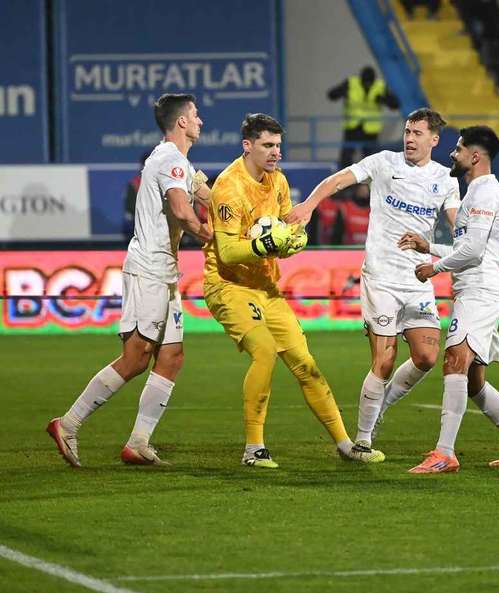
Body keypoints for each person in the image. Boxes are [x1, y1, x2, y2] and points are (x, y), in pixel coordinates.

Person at [204, 113, 384, 468]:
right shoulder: (228, 187)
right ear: (248, 145)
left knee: (305, 363)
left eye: (278, 146)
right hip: (228, 285)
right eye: (268, 146)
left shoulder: (278, 182)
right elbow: (226, 252)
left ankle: (345, 444)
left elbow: (287, 229)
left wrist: (293, 240)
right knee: (264, 352)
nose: (276, 153)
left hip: (265, 286)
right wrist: (266, 245)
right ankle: (253, 449)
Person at [47, 94, 212, 467]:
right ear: (182, 122)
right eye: (196, 116)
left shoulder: (176, 161)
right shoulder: (169, 160)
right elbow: (184, 211)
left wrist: (235, 208)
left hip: (165, 272)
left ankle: (138, 443)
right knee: (136, 358)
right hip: (149, 271)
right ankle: (68, 424)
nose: (201, 121)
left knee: (171, 357)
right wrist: (210, 234)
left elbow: (207, 192)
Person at [286, 108, 460, 453]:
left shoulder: (446, 179)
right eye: (407, 132)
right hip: (381, 276)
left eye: (418, 134)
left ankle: (380, 407)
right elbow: (337, 180)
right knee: (384, 360)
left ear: (434, 140)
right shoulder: (384, 162)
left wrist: (465, 256)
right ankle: (362, 440)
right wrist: (308, 205)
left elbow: (458, 225)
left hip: (418, 278)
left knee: (426, 356)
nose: (409, 138)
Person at [400, 125, 499, 473]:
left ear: (475, 156)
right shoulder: (475, 195)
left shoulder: (485, 194)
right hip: (475, 288)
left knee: (453, 361)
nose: (453, 154)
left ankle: (445, 453)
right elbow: (468, 248)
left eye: (459, 149)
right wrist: (429, 246)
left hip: (479, 290)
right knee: (475, 380)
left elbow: (474, 251)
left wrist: (434, 268)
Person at [328, 66, 400, 168]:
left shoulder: (380, 86)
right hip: (353, 126)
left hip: (370, 128)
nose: (367, 84)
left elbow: (395, 104)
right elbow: (331, 95)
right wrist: (340, 92)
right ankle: (345, 182)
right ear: (360, 78)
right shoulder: (351, 83)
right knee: (346, 156)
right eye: (365, 82)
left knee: (370, 159)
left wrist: (384, 99)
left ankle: (370, 182)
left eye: (369, 82)